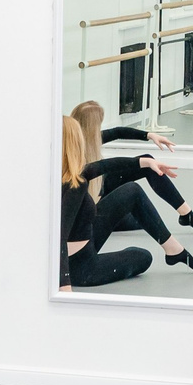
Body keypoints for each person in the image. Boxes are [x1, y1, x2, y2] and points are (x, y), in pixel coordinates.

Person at [71, 100, 193, 234]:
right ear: (91, 128)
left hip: (101, 190)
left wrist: (149, 135)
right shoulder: (71, 151)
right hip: (91, 212)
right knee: (142, 219)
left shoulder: (89, 139)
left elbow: (118, 132)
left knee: (149, 164)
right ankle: (173, 244)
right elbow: (105, 167)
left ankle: (186, 214)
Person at [57, 117, 156, 288]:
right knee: (143, 256)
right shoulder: (75, 184)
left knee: (131, 191)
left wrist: (142, 162)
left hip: (81, 248)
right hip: (82, 268)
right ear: (75, 143)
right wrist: (64, 283)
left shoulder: (62, 174)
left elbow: (103, 165)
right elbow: (61, 235)